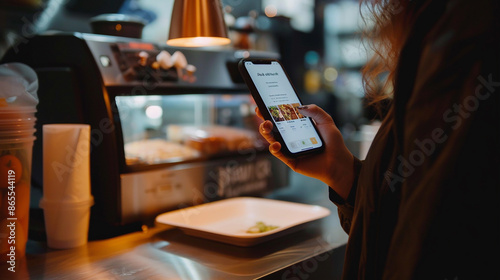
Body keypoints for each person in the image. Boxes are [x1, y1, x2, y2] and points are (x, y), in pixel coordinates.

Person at [256, 0, 500, 279]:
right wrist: (341, 172)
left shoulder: (465, 33)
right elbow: (404, 209)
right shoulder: (448, 30)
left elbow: (432, 238)